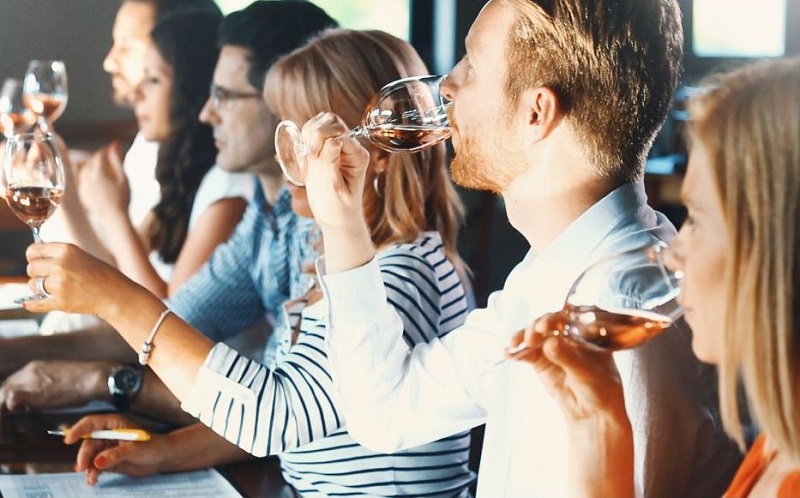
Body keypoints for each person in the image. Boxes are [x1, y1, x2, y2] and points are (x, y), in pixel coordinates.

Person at [293, 0, 742, 496]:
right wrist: (342, 224)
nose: (447, 85)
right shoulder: (550, 273)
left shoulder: (621, 313)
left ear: (536, 113)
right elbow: (385, 412)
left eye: (472, 66)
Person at [26, 28, 476, 498]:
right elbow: (294, 416)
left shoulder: (403, 277)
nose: (289, 163)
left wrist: (113, 298)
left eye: (312, 142)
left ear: (377, 155)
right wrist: (160, 451)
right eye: (288, 136)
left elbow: (273, 418)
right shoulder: (337, 263)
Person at [0, 1, 337, 421]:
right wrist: (10, 354)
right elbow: (172, 324)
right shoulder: (265, 217)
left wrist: (101, 379)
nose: (206, 112)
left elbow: (283, 413)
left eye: (226, 96)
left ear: (287, 100)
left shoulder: (329, 230)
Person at [514, 57, 800, 498]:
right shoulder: (777, 448)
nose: (673, 256)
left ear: (779, 243)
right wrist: (598, 421)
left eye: (698, 219)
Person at [40, 0, 225, 333]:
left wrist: (113, 212)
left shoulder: (225, 189)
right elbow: (112, 275)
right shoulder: (176, 166)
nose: (109, 62)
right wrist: (66, 185)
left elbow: (167, 322)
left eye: (153, 79)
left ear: (190, 84)